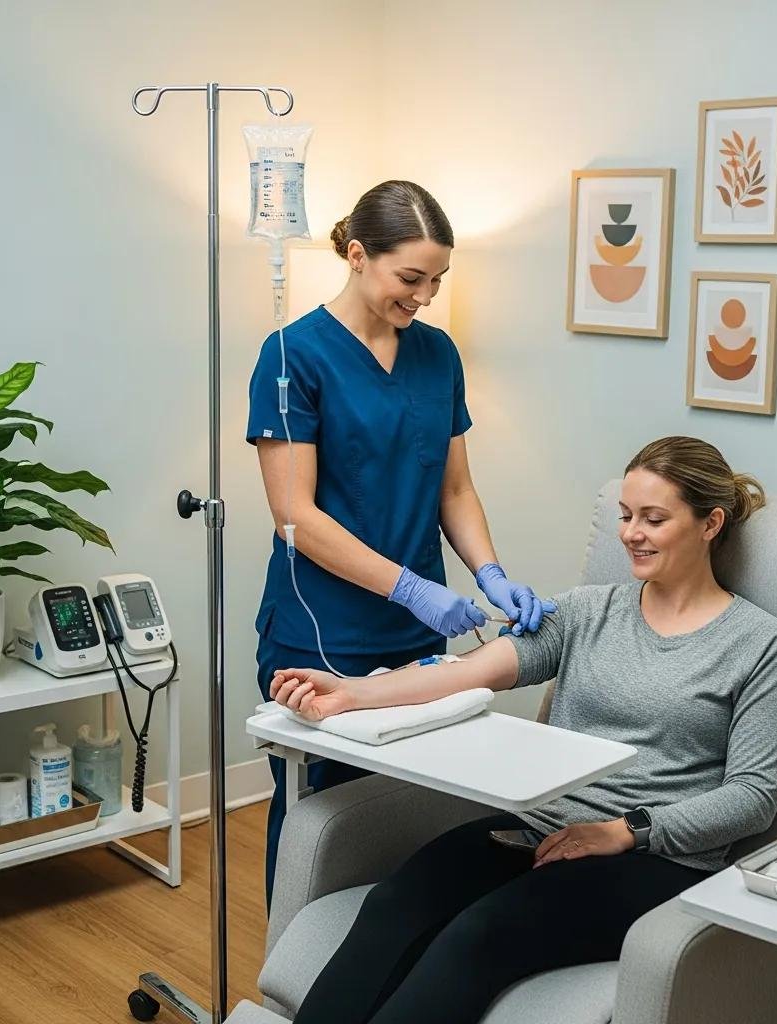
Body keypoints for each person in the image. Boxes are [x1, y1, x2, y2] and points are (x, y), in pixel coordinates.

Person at [269, 436, 777, 1024]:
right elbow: (471, 673)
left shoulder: (760, 645)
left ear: (711, 524)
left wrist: (624, 831)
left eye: (654, 519)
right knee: (397, 901)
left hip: (657, 857)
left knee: (478, 936)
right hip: (541, 826)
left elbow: (753, 799)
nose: (631, 533)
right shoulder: (588, 612)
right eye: (626, 516)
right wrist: (350, 693)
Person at [247, 180, 554, 906]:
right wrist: (411, 586)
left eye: (436, 281)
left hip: (415, 638)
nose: (424, 296)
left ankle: (381, 966)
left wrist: (490, 572)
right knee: (320, 820)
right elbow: (296, 515)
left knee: (402, 811)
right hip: (324, 631)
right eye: (410, 278)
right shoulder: (294, 355)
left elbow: (454, 489)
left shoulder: (437, 355)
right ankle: (297, 973)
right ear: (358, 255)